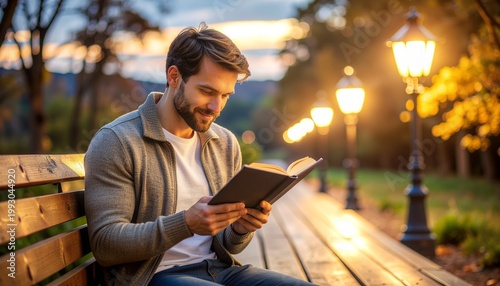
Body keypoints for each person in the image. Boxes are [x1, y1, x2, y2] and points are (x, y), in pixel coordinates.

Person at [84, 23, 315, 286]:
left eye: (225, 95)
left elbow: (228, 244)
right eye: (207, 91)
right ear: (174, 77)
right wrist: (185, 223)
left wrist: (240, 227)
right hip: (153, 278)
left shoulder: (224, 143)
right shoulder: (118, 141)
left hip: (221, 271)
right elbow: (106, 245)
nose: (216, 107)